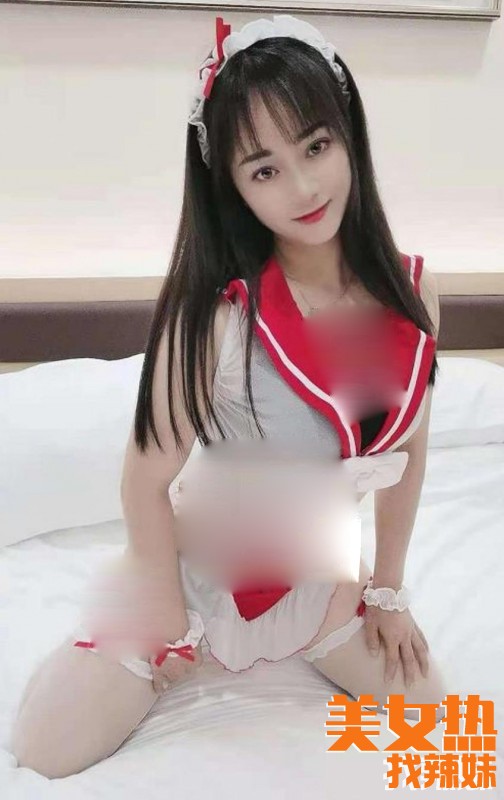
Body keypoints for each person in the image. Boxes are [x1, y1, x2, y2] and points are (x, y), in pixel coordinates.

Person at [10, 14, 447, 779]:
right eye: (264, 170)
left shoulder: (413, 293)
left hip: (323, 583)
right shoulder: (218, 315)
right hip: (197, 579)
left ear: (348, 135)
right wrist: (162, 612)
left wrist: (388, 591)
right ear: (234, 187)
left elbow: (407, 456)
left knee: (436, 716)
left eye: (316, 147)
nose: (303, 187)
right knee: (44, 750)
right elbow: (143, 478)